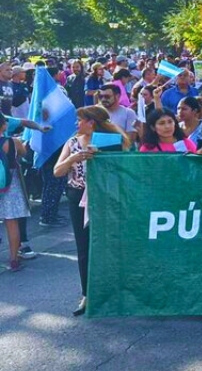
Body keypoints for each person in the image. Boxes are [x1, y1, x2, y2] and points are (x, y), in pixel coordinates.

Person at [53, 106, 130, 316]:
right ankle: (87, 294)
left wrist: (103, 157)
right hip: (78, 197)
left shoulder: (112, 140)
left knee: (110, 242)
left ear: (92, 122)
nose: (77, 124)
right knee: (84, 245)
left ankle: (114, 290)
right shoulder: (72, 143)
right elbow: (57, 171)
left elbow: (123, 167)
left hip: (106, 196)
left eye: (80, 120)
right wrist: (73, 159)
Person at [0, 116, 29, 271]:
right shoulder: (13, 142)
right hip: (11, 184)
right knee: (12, 222)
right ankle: (13, 259)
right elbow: (23, 153)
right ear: (4, 126)